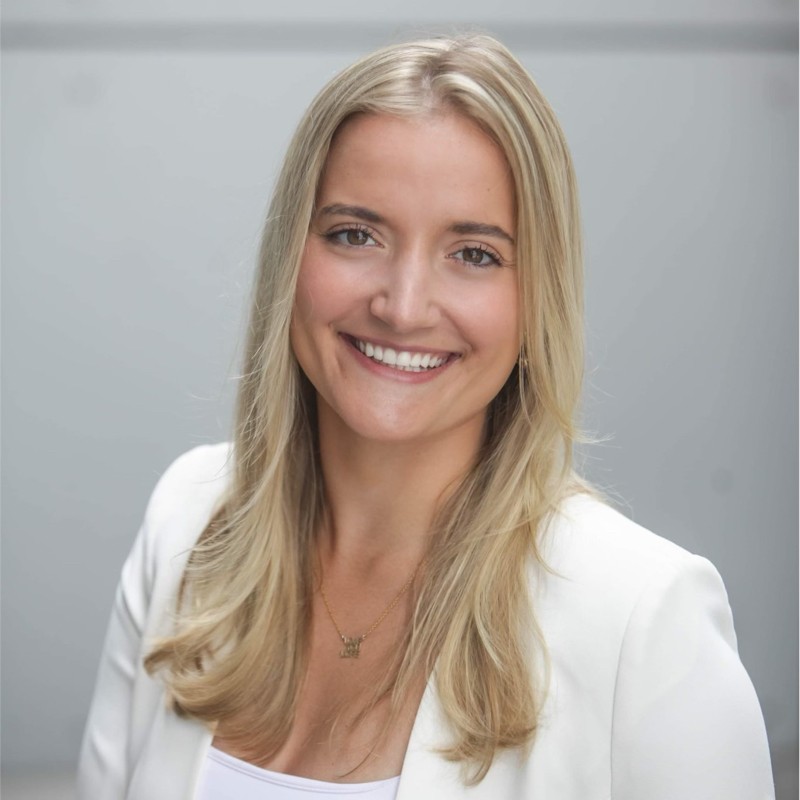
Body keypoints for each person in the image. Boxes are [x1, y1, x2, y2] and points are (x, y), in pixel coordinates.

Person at [77, 34, 775, 800]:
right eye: (355, 234)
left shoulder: (647, 619)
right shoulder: (186, 519)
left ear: (535, 298)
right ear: (290, 256)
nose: (403, 306)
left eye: (473, 253)